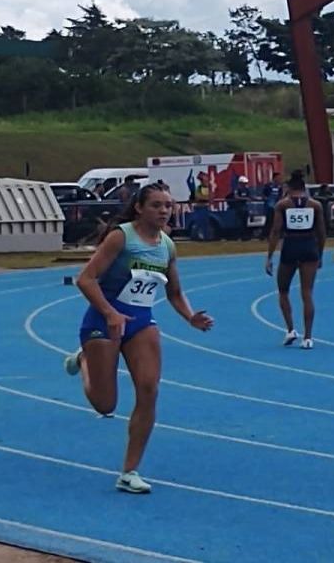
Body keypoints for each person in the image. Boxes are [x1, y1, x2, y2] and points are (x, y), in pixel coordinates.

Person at [63, 184, 215, 494]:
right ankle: (84, 359)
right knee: (106, 405)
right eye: (157, 205)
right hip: (105, 321)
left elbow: (173, 292)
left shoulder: (167, 246)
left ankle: (129, 471)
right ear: (139, 209)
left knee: (149, 389)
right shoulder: (121, 237)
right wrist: (109, 313)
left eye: (168, 206)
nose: (164, 211)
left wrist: (190, 317)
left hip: (142, 322)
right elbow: (85, 279)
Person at [266, 170, 326, 349]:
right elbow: (321, 233)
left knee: (283, 290)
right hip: (309, 247)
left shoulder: (282, 205)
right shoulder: (315, 205)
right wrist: (320, 254)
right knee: (307, 293)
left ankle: (291, 329)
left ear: (290, 188)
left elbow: (276, 231)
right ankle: (308, 337)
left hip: (291, 246)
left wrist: (269, 256)